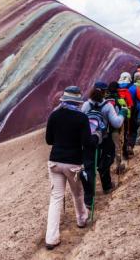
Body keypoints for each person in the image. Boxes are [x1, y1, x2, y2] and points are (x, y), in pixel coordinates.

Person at [45, 86, 90, 250]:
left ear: (63, 100)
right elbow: (86, 142)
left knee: (56, 198)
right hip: (73, 164)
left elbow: (49, 140)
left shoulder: (54, 115)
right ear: (78, 102)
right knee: (77, 193)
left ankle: (51, 237)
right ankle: (81, 219)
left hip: (55, 162)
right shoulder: (82, 118)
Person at [81, 82, 127, 209]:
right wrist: (122, 113)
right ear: (104, 92)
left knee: (89, 167)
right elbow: (116, 123)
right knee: (106, 160)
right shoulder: (107, 106)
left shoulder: (86, 105)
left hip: (89, 140)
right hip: (104, 138)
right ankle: (106, 186)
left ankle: (89, 198)